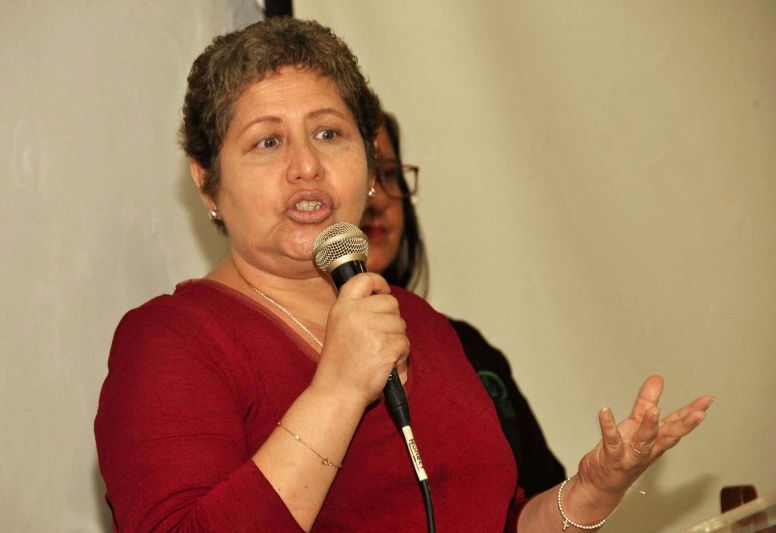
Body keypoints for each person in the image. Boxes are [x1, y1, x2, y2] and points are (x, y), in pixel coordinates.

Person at [94, 17, 713, 532]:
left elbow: (491, 521)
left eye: (329, 133)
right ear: (207, 180)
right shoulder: (171, 342)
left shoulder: (417, 322)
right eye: (267, 142)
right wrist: (337, 392)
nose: (306, 166)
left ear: (368, 164)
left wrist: (589, 492)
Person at [361, 112, 566, 496]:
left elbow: (546, 492)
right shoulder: (296, 360)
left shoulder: (464, 345)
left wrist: (600, 485)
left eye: (388, 175)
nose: (379, 200)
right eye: (362, 179)